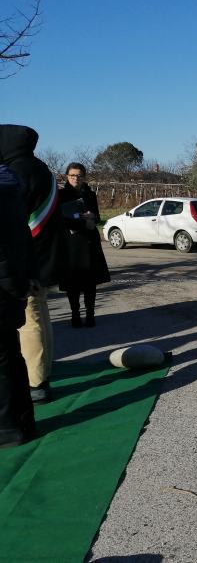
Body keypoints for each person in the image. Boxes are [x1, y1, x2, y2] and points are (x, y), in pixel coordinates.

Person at [0, 124, 66, 405]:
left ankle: (35, 381)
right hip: (46, 254)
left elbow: (16, 221)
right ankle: (44, 369)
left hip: (29, 258)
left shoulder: (17, 171)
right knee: (41, 314)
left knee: (30, 320)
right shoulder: (41, 168)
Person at [0, 162, 37, 448]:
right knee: (11, 358)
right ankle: (23, 420)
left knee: (4, 363)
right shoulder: (14, 193)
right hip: (11, 293)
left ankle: (8, 427)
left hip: (5, 291)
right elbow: (24, 242)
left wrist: (15, 285)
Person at [58, 162, 111, 326]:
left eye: (79, 175)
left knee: (90, 282)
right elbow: (59, 220)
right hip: (71, 243)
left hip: (89, 243)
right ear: (67, 176)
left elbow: (98, 216)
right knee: (72, 284)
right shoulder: (60, 195)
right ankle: (75, 314)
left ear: (84, 177)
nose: (76, 178)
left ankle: (90, 315)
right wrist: (82, 223)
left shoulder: (90, 194)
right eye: (72, 175)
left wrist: (92, 218)